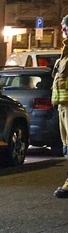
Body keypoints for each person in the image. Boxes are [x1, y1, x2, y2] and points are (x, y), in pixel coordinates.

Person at [52, 15, 68, 198]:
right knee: (67, 146)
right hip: (63, 106)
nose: (63, 30)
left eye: (65, 27)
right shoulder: (65, 51)